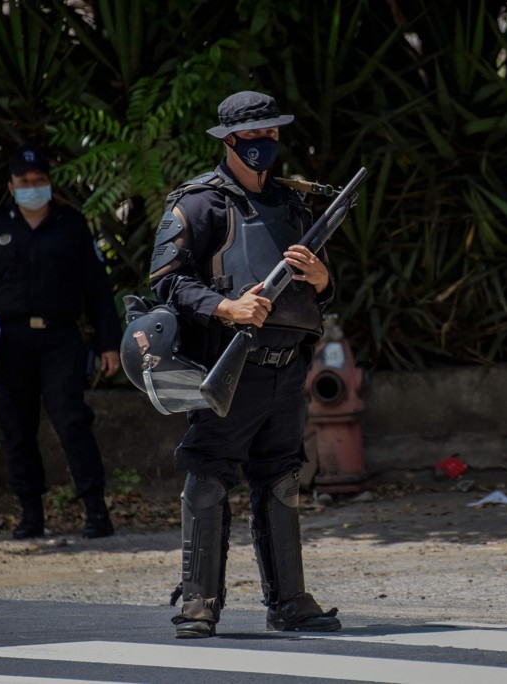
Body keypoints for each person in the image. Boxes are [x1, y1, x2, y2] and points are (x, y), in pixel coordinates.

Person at [149, 91, 341, 638]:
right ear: (229, 141)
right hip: (229, 366)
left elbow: (322, 287)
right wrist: (225, 307)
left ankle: (289, 601)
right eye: (254, 136)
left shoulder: (295, 204)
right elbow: (166, 281)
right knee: (209, 475)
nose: (265, 145)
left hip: (286, 366)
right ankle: (198, 601)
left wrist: (324, 280)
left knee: (281, 478)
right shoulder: (199, 204)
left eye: (272, 134)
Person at [0, 145, 121, 540]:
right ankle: (30, 513)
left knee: (72, 421)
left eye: (39, 181)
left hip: (59, 338)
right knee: (17, 427)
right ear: (11, 185)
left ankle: (95, 510)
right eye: (24, 182)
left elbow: (97, 289)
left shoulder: (72, 225)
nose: (32, 187)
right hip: (9, 342)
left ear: (49, 183)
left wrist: (108, 343)